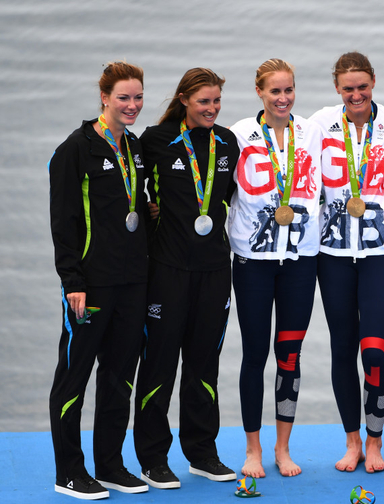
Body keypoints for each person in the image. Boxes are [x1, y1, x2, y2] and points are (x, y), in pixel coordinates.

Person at [132, 68, 239, 489]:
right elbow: (129, 191)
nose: (212, 108)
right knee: (159, 365)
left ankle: (202, 452)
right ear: (183, 100)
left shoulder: (227, 142)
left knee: (204, 366)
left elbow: (229, 196)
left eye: (216, 101)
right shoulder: (155, 140)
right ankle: (153, 458)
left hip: (214, 269)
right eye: (203, 101)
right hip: (168, 270)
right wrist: (150, 214)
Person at [48, 61, 149, 499]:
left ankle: (110, 465)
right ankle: (69, 471)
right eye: (123, 97)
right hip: (90, 286)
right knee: (74, 378)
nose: (132, 105)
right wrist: (72, 280)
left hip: (133, 282)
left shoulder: (135, 147)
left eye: (138, 97)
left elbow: (132, 207)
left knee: (119, 377)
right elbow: (64, 221)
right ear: (104, 97)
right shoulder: (76, 149)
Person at [309, 51, 384, 473]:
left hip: (379, 251)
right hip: (332, 252)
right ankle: (352, 441)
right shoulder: (319, 122)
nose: (356, 95)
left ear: (373, 83)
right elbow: (297, 166)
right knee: (342, 348)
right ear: (337, 87)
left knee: (375, 351)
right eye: (348, 88)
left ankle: (375, 441)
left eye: (362, 86)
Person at [228, 58, 322, 478]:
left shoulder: (312, 132)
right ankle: (253, 449)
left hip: (300, 260)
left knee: (289, 355)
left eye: (288, 90)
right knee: (255, 355)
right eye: (274, 91)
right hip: (253, 262)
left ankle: (283, 448)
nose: (283, 98)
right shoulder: (238, 134)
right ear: (259, 92)